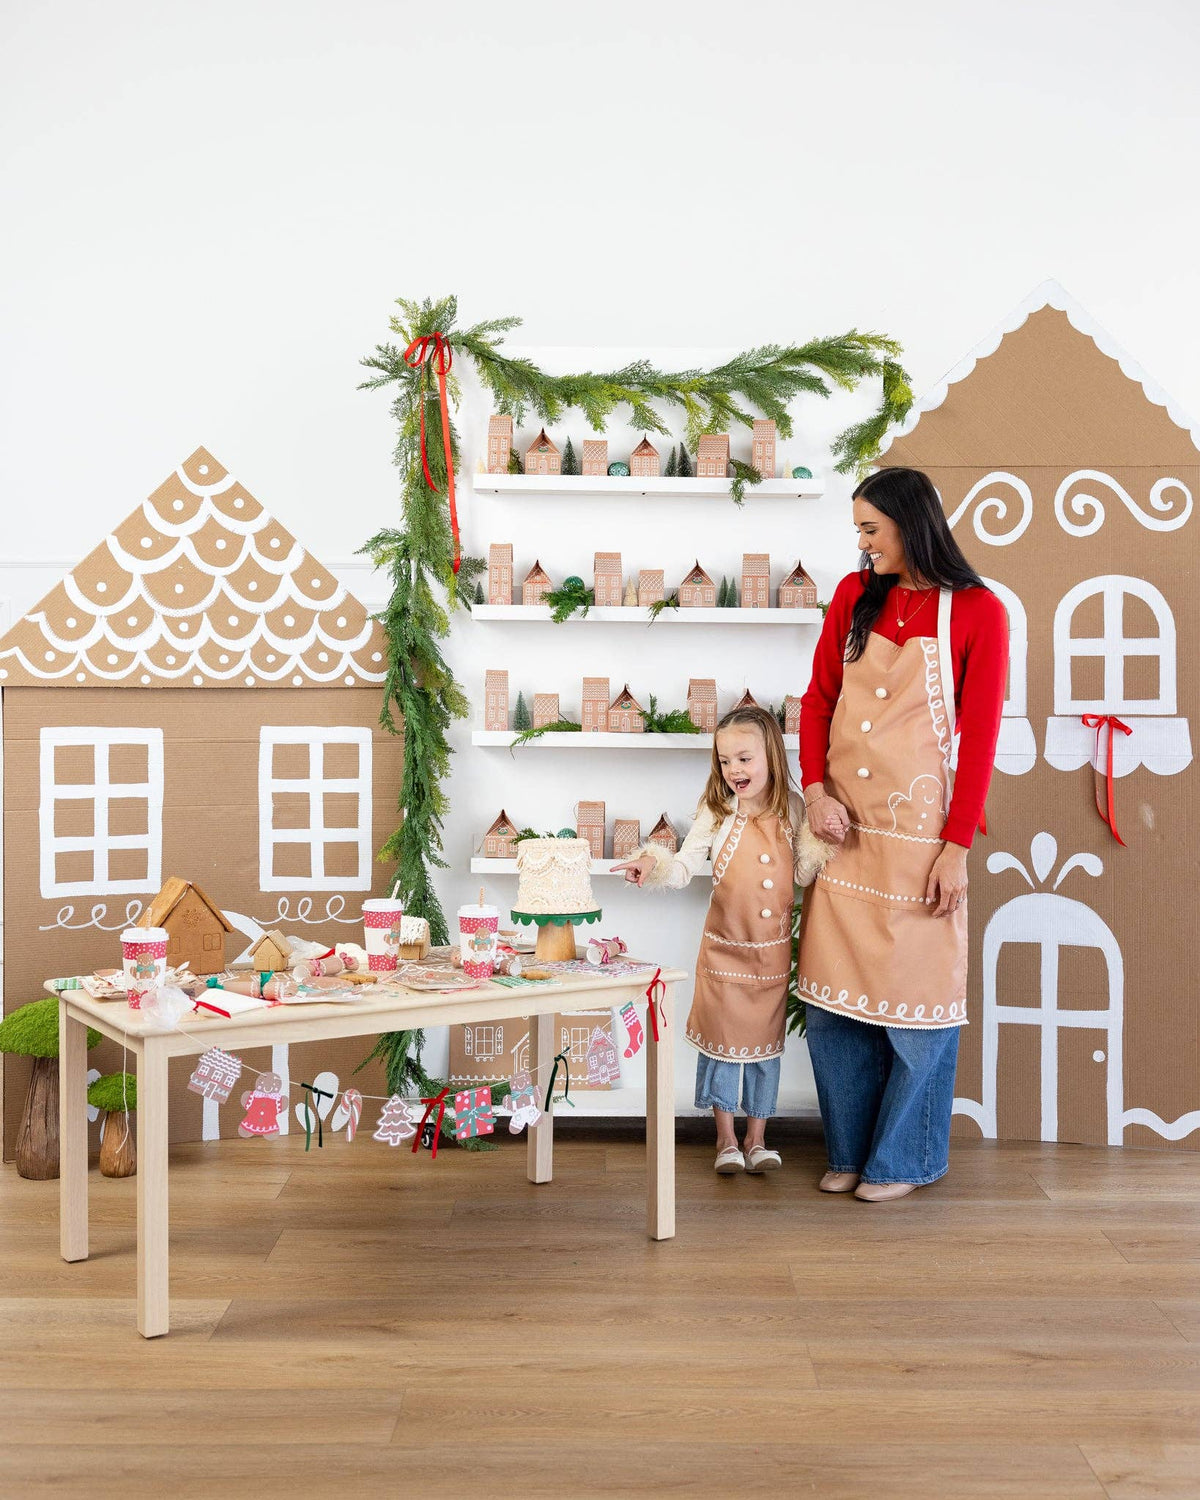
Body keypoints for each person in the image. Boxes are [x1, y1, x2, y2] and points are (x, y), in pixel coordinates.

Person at [797, 465, 1008, 1202]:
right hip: (846, 829)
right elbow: (818, 699)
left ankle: (904, 1161)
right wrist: (816, 790)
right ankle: (851, 1153)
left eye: (870, 530)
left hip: (924, 837)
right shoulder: (856, 596)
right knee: (832, 1007)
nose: (861, 544)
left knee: (918, 1012)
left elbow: (980, 738)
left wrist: (957, 848)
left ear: (910, 525)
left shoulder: (979, 611)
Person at [613, 705, 831, 1174]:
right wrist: (653, 863)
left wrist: (822, 846)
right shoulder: (716, 811)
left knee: (764, 1049)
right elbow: (687, 863)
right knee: (722, 1047)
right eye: (726, 761)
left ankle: (757, 1140)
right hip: (722, 951)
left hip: (770, 955)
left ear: (771, 753)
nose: (734, 770)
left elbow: (804, 874)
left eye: (745, 759)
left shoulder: (794, 810)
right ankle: (725, 1139)